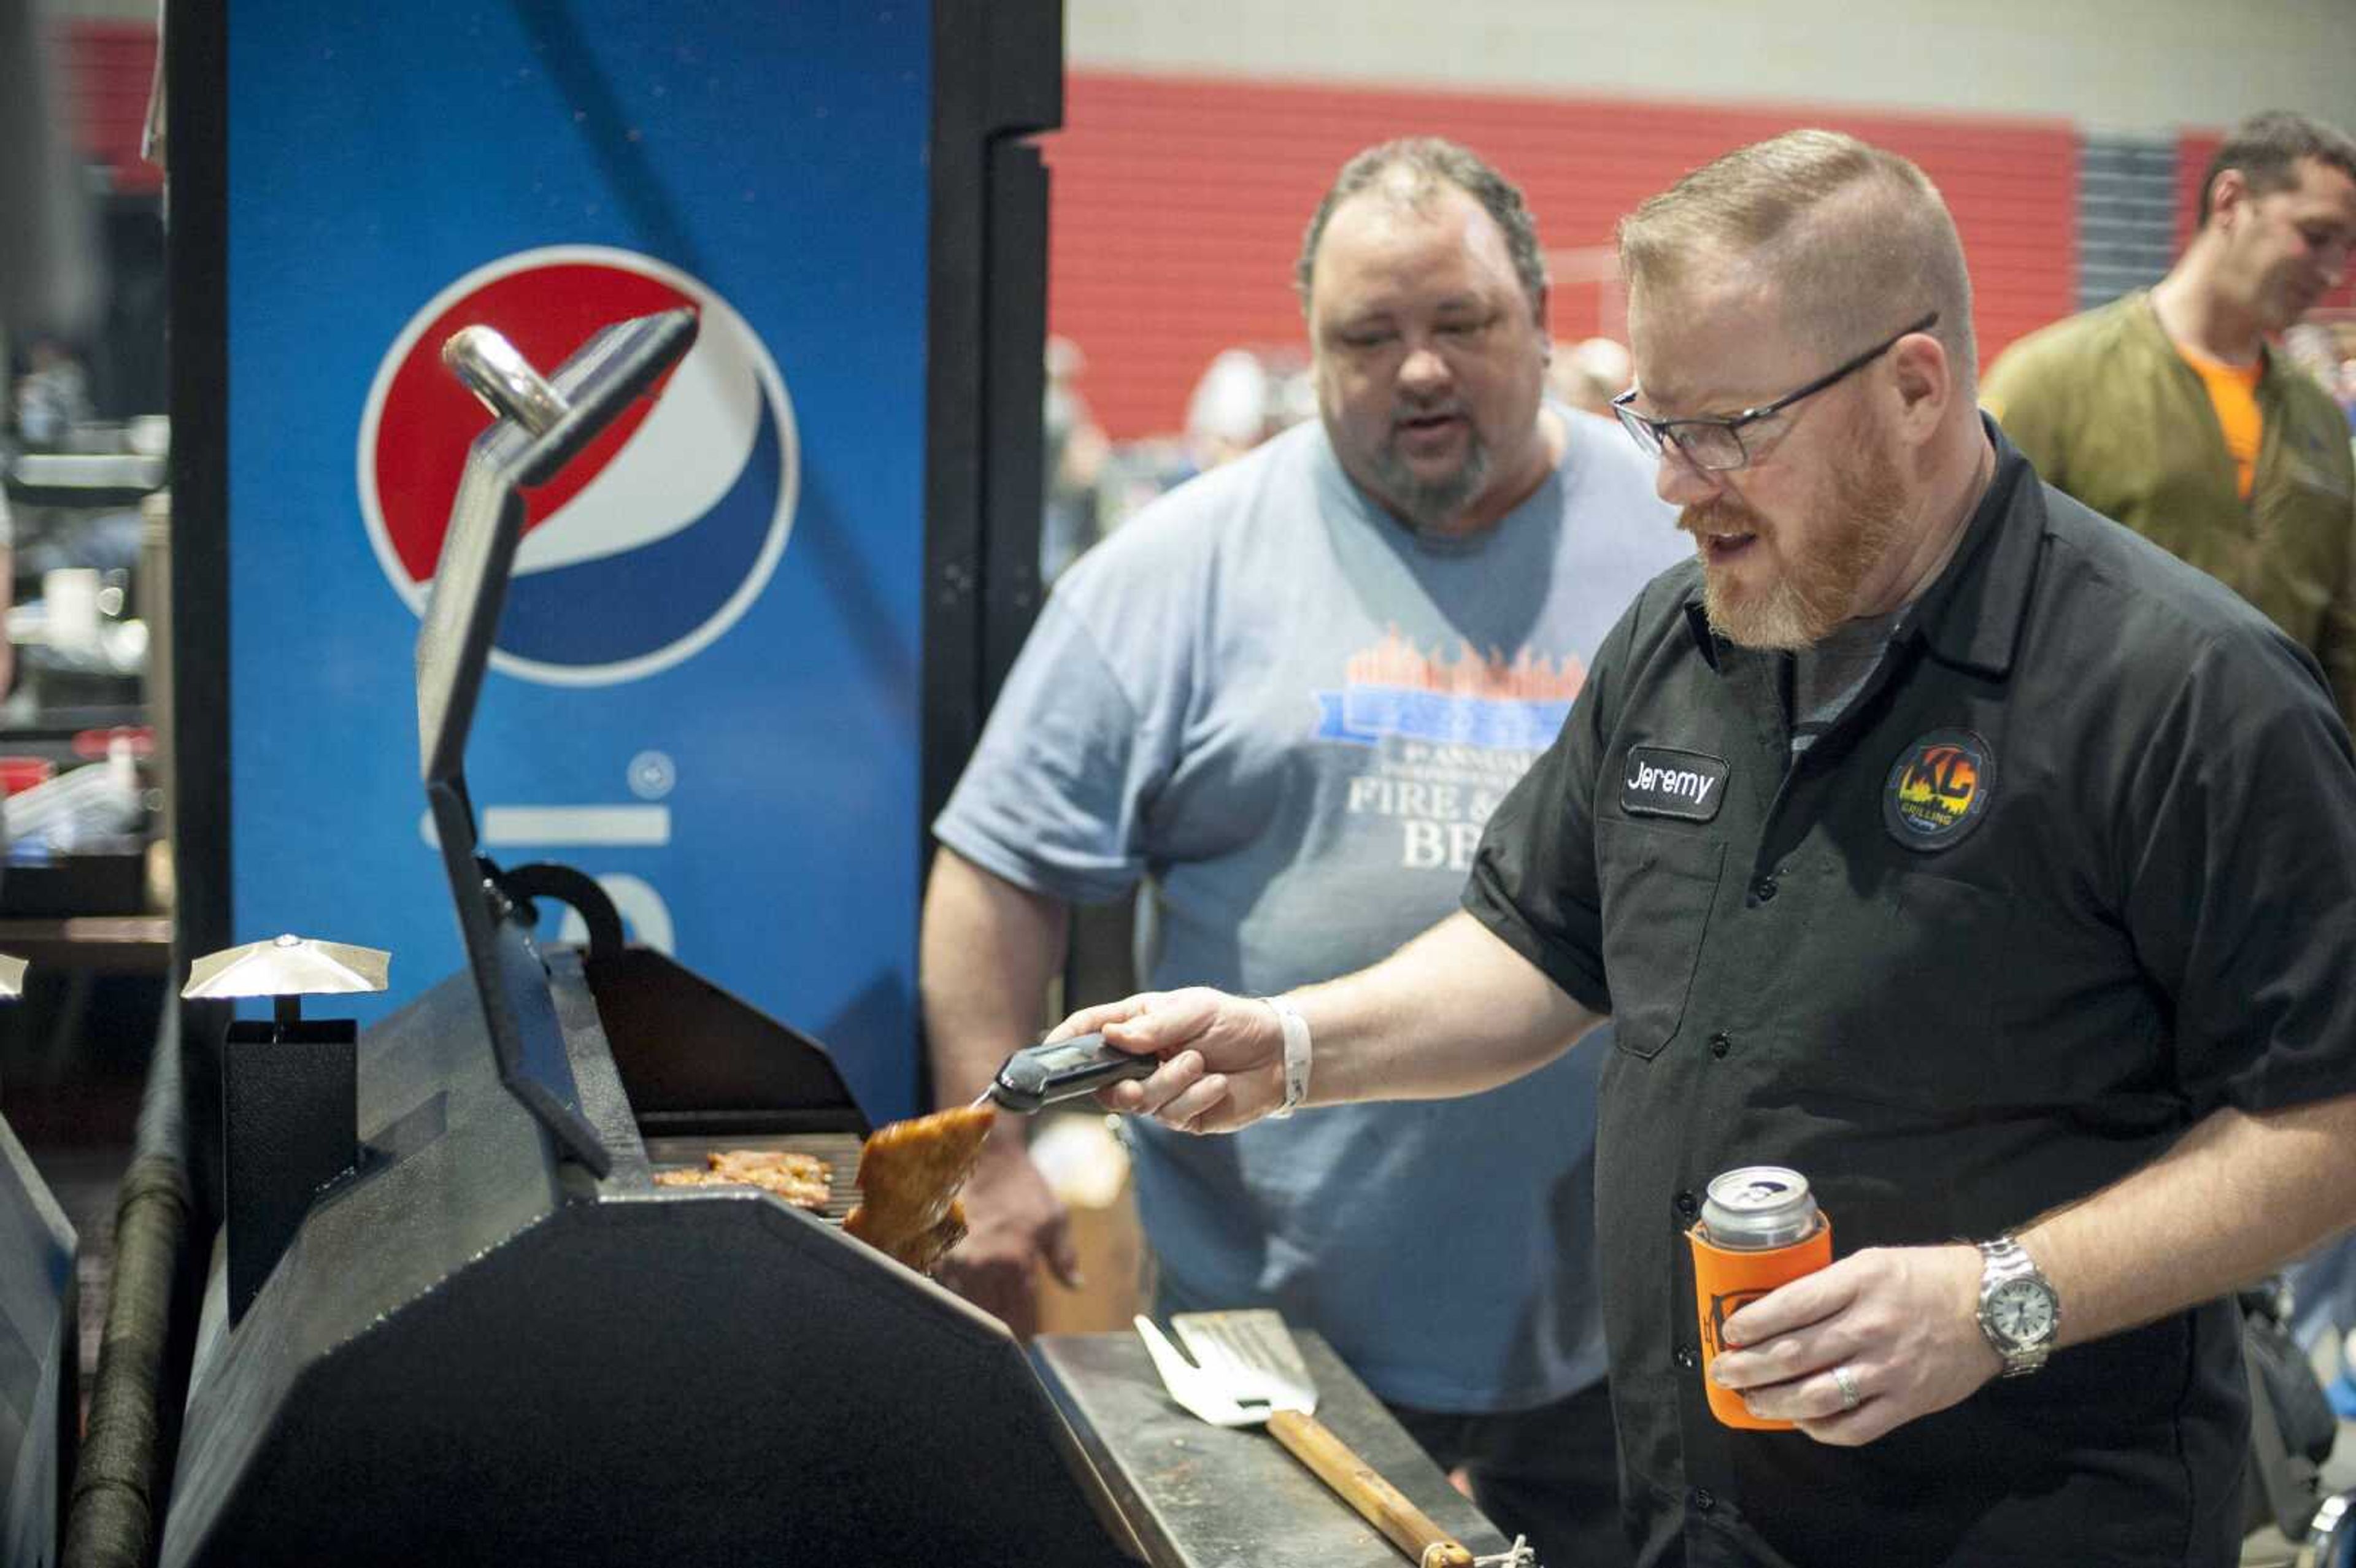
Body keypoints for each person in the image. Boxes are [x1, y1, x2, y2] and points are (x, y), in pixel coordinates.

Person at [1052, 128, 2356, 1568]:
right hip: (1695, 1520)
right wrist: (1290, 1044)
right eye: (1648, 423)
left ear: (1914, 388)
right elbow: (1536, 945)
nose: (1673, 485)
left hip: (2026, 1522)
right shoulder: (1686, 640)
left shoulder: (2183, 696)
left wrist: (2000, 1299)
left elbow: (2323, 1126)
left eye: (1725, 430)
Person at [922, 136, 1689, 1566]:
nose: (1415, 370)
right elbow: (998, 869)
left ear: (1536, 311)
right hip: (1262, 1328)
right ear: (1310, 349)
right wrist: (993, 1155)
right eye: (1367, 336)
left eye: (1458, 322)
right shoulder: (1176, 567)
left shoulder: (1682, 547)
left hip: (1618, 1330)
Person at [1981, 110, 2356, 731]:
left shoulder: (2316, 416)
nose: (2333, 271)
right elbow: (1981, 595)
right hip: (2092, 778)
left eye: (2347, 247)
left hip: (2272, 783)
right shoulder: (2051, 378)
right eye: (2316, 236)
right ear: (2231, 201)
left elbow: (2343, 636)